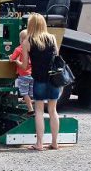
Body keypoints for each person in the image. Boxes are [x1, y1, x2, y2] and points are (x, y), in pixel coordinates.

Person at [18, 13, 61, 151]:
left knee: (39, 111)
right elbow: (57, 58)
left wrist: (16, 62)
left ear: (30, 25)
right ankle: (55, 142)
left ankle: (40, 144)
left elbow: (25, 66)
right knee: (53, 110)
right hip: (53, 80)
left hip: (39, 80)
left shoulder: (27, 42)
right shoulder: (52, 38)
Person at [9, 29, 35, 116]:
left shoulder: (19, 49)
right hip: (32, 75)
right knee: (30, 93)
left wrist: (11, 58)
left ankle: (30, 109)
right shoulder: (32, 49)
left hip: (24, 75)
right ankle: (31, 105)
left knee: (24, 93)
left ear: (21, 40)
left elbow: (12, 59)